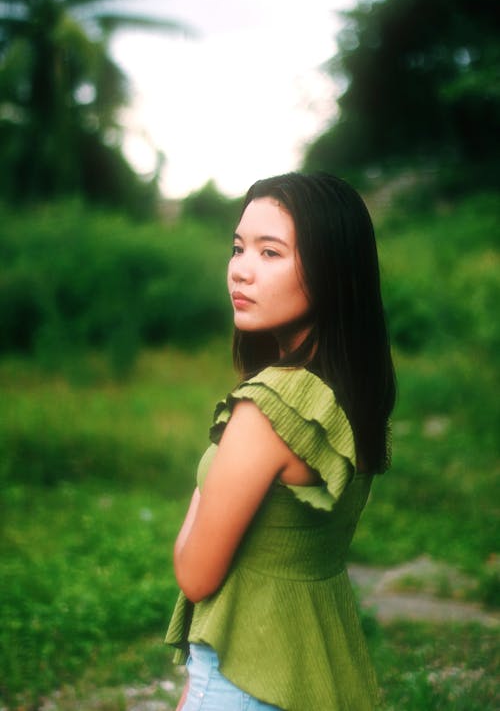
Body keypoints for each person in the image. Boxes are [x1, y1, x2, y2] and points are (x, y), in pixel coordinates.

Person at [165, 171, 396, 710]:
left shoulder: (271, 409)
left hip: (243, 679)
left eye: (271, 254)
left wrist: (202, 493)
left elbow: (195, 576)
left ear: (331, 270)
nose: (241, 271)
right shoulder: (348, 394)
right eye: (238, 247)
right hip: (317, 667)